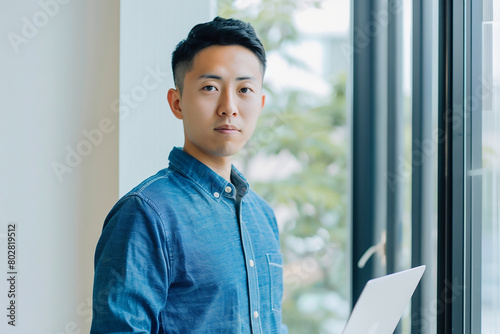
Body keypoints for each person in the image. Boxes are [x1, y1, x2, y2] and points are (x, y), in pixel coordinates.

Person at [91, 16, 287, 333]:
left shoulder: (262, 216)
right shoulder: (145, 212)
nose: (229, 107)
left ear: (260, 103)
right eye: (210, 87)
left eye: (245, 89)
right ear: (177, 102)